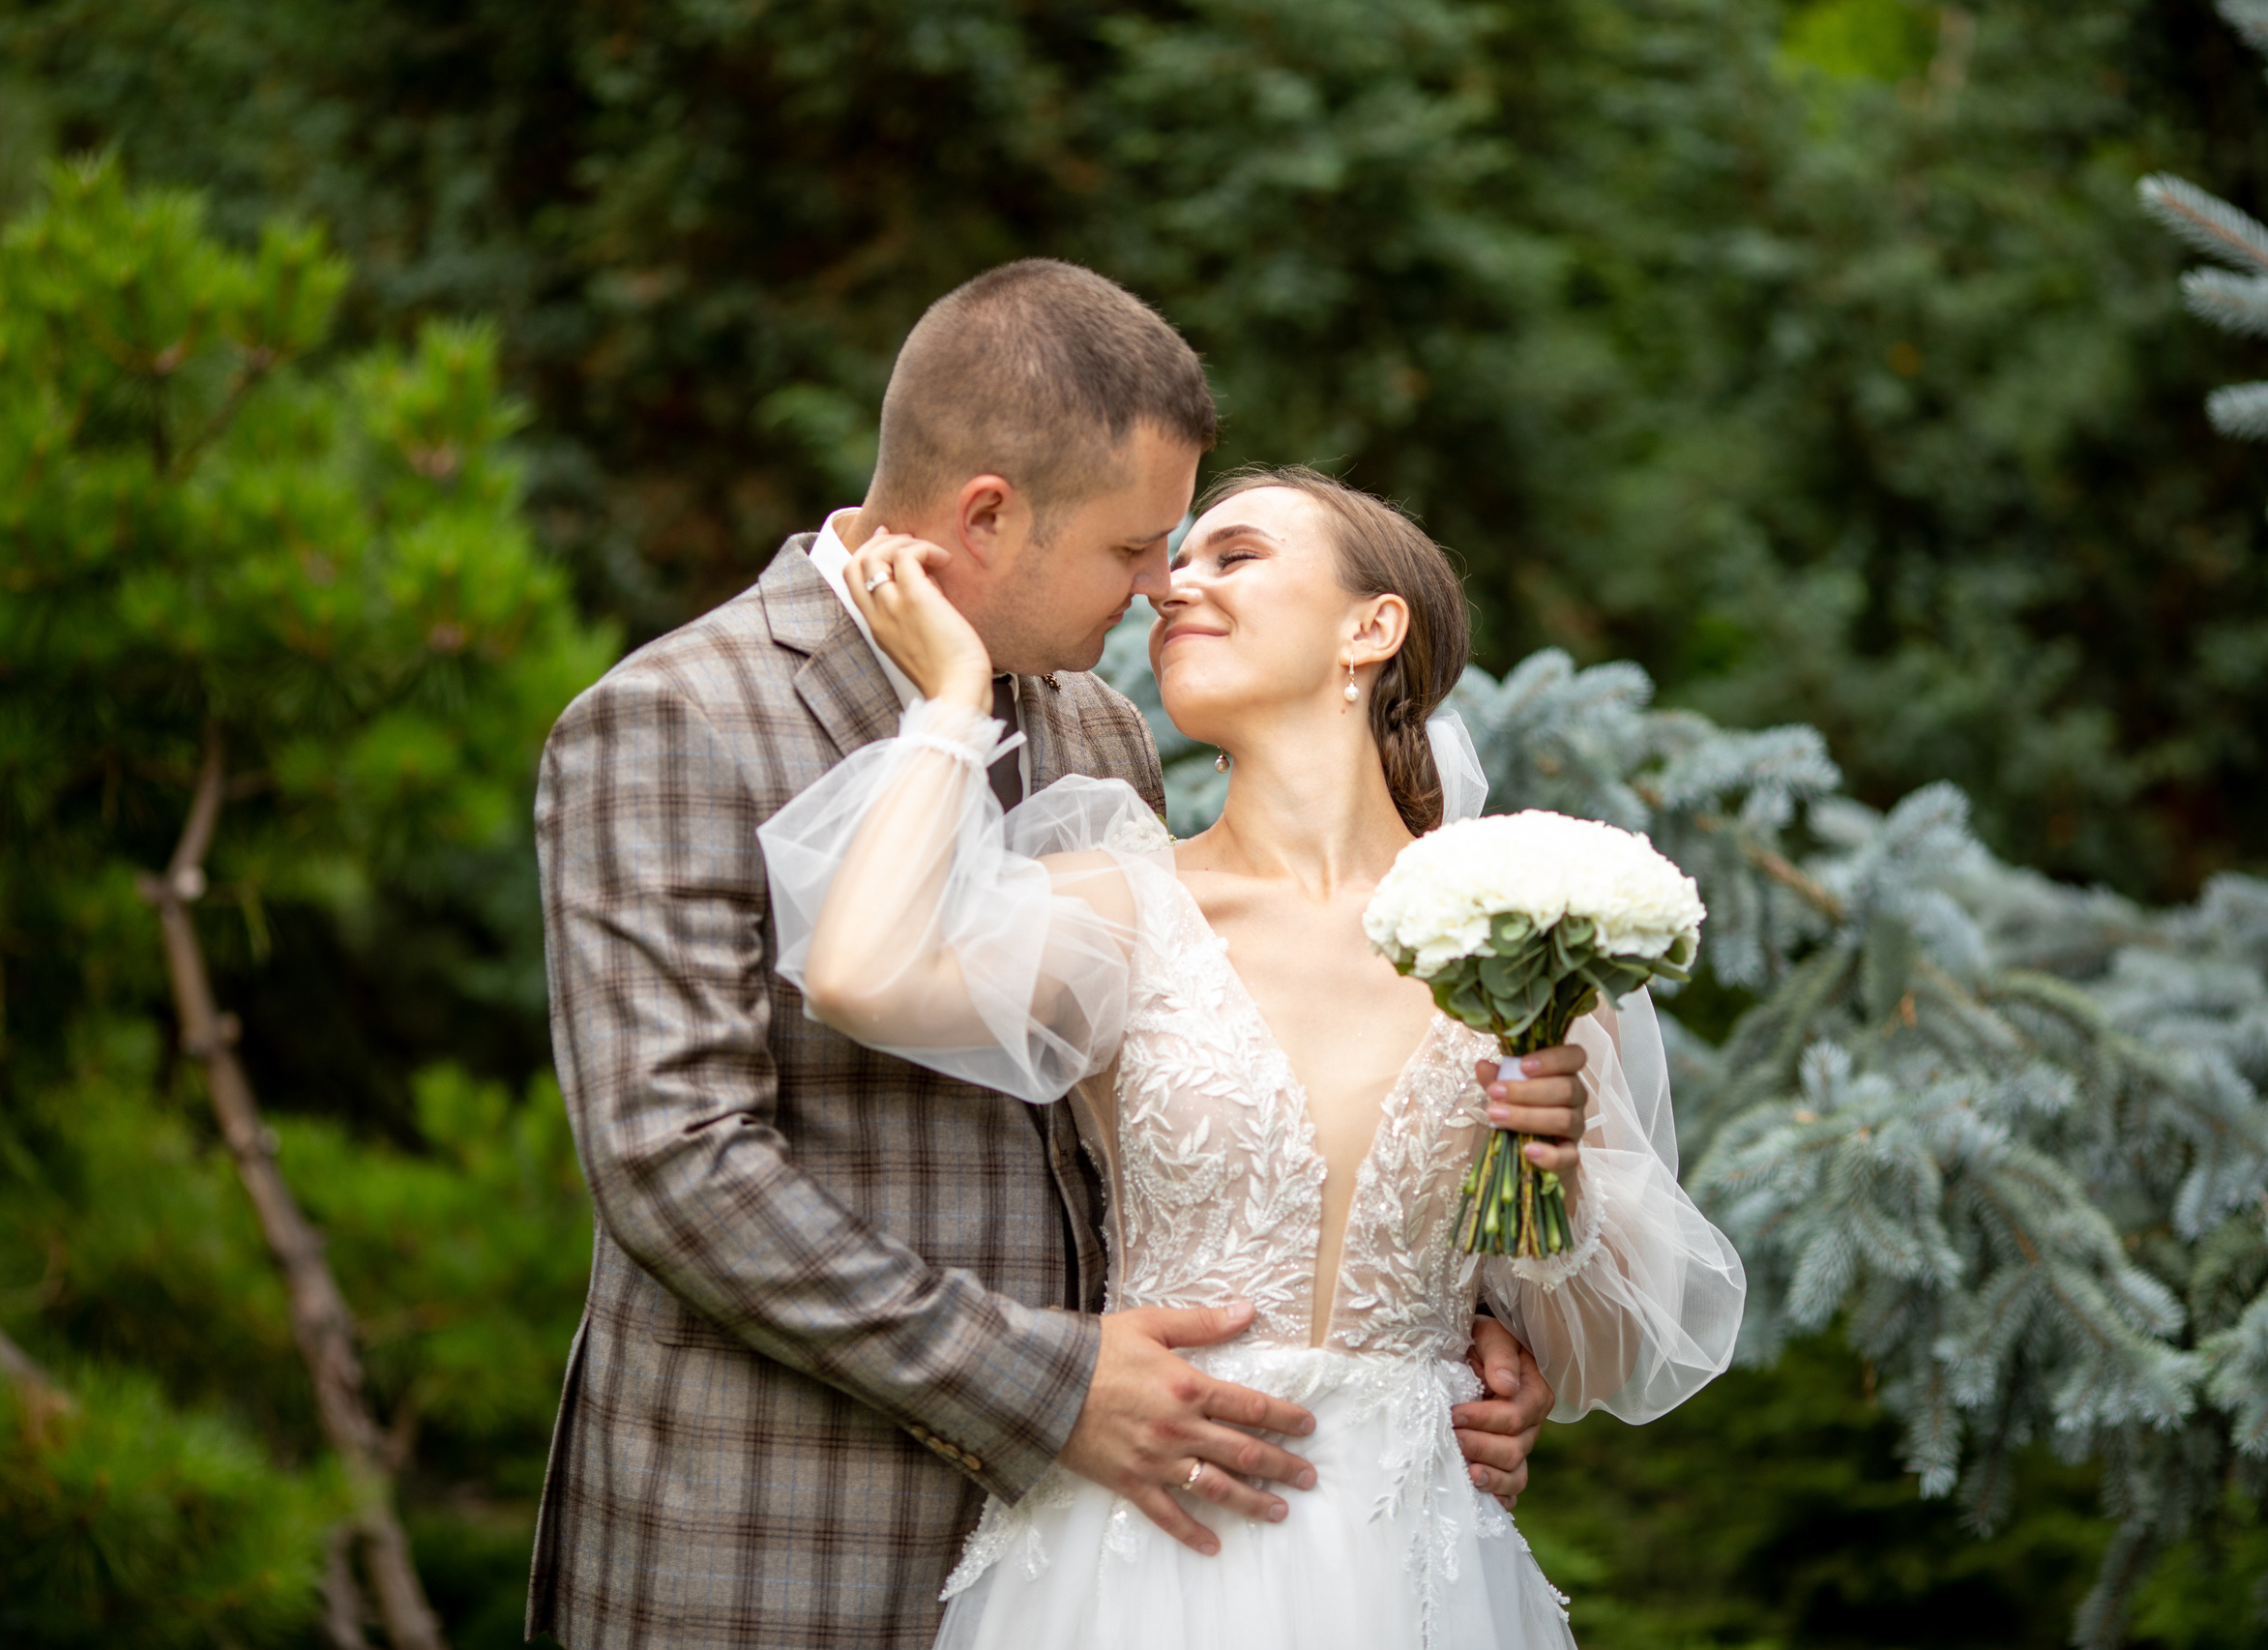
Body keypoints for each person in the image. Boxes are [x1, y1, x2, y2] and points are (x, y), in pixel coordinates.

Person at [527, 262, 1580, 1650]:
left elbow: (1207, 1087)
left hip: (1132, 1527)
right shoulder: (677, 719)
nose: (1162, 586)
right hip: (786, 1526)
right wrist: (1051, 1384)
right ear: (988, 515)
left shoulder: (1097, 731)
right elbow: (679, 1163)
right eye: (1136, 545)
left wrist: (1465, 1317)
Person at [758, 465, 1746, 1649]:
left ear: (1371, 629)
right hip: (1146, 1561)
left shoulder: (1519, 945)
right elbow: (858, 972)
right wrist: (952, 704)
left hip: (1422, 1573)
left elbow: (1605, 1351)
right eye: (1178, 562)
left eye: (1235, 556)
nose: (1176, 586)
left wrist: (1561, 1171)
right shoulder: (1124, 904)